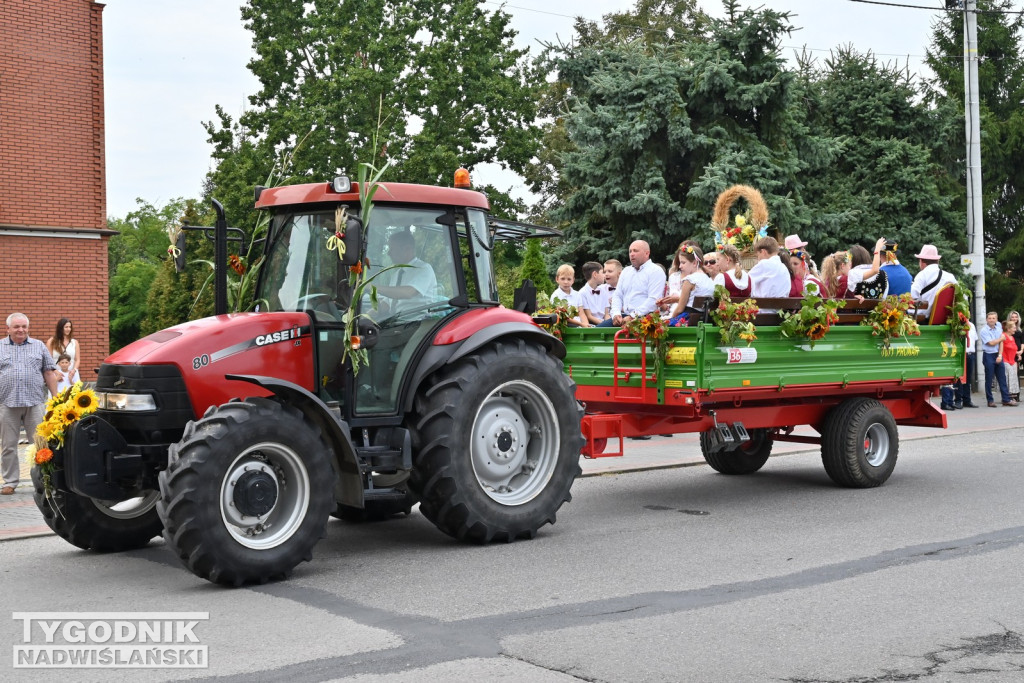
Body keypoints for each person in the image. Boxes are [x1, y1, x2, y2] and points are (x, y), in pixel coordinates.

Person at [1, 313, 59, 495]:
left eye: (24, 326)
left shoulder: (38, 346)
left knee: (41, 444)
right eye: (17, 326)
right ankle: (10, 482)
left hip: (35, 402)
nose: (21, 330)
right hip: (7, 403)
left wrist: (56, 398)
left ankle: (43, 480)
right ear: (8, 329)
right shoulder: (0, 347)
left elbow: (49, 373)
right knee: (8, 445)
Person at [603, 240, 667, 327]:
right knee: (594, 334)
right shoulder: (626, 271)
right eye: (630, 251)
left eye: (635, 251)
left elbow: (653, 300)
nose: (632, 254)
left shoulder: (655, 271)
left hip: (645, 319)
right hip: (624, 317)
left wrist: (632, 316)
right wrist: (616, 314)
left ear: (647, 253)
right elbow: (617, 295)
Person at [375, 231, 437, 317]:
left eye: (392, 249)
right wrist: (363, 316)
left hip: (418, 322)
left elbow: (408, 293)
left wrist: (373, 288)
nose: (388, 253)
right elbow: (387, 304)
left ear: (407, 249)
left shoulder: (424, 269)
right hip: (397, 322)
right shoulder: (397, 274)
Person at [667, 245, 715, 325]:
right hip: (703, 320)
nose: (680, 266)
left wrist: (671, 320)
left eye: (683, 262)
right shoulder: (709, 280)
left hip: (688, 319)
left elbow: (679, 309)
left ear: (694, 263)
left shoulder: (690, 280)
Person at [910, 244, 957, 319]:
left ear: (921, 261)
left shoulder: (922, 275)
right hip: (944, 318)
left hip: (923, 318)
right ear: (937, 261)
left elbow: (912, 296)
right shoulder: (950, 277)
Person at [979, 311, 1015, 407]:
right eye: (989, 318)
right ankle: (990, 401)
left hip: (998, 354)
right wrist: (1001, 339)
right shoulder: (984, 331)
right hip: (988, 355)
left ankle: (1006, 399)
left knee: (1002, 378)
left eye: (993, 318)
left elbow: (1001, 343)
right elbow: (991, 343)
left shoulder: (998, 328)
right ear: (987, 320)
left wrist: (1000, 355)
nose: (991, 320)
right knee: (989, 379)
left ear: (996, 319)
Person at [955, 320, 980, 408]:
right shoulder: (957, 325)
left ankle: (967, 399)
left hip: (970, 353)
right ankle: (958, 400)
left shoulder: (972, 325)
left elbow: (974, 339)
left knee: (968, 378)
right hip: (961, 354)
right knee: (959, 378)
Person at [1003, 319, 1020, 402]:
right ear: (1008, 329)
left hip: (1012, 360)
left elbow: (1013, 348)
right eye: (1013, 328)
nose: (1015, 329)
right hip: (1006, 360)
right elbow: (1001, 348)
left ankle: (1013, 396)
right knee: (1008, 377)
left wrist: (1017, 354)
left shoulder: (1012, 338)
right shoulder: (1003, 336)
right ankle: (1008, 396)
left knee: (1013, 378)